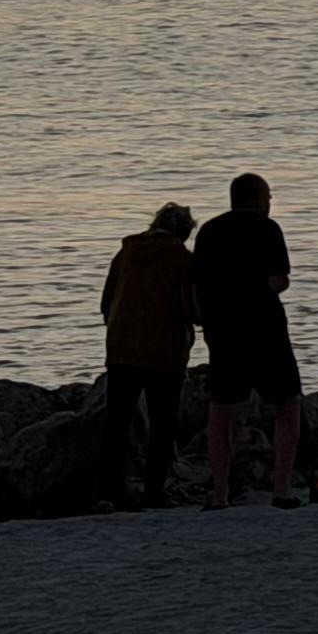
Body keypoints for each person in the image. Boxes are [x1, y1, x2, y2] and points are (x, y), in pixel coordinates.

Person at [191, 171, 302, 507]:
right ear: (258, 198)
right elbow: (280, 280)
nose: (270, 204)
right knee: (287, 404)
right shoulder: (268, 230)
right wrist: (258, 290)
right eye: (268, 198)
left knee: (221, 409)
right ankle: (281, 488)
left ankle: (220, 492)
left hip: (223, 331)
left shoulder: (209, 231)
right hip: (266, 329)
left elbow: (196, 284)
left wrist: (205, 319)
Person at [97, 201, 197, 508]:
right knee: (162, 426)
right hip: (164, 354)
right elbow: (193, 309)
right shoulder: (182, 260)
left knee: (117, 426)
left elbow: (105, 303)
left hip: (122, 350)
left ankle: (109, 493)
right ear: (183, 233)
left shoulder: (126, 253)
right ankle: (154, 491)